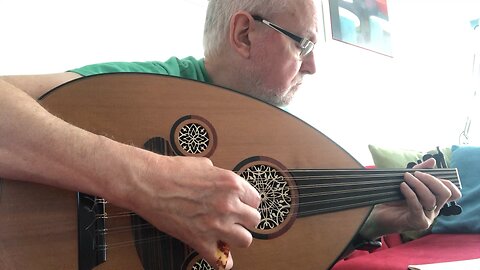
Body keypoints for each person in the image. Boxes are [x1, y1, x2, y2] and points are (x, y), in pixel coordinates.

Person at [0, 0, 461, 269]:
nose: (314, 65)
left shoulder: (273, 133)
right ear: (244, 33)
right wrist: (146, 181)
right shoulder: (152, 87)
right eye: (305, 44)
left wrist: (377, 220)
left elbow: (270, 230)